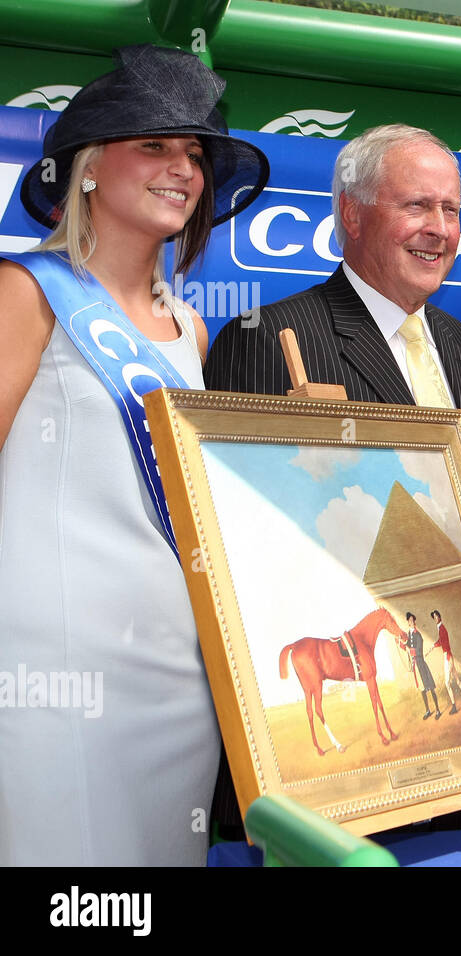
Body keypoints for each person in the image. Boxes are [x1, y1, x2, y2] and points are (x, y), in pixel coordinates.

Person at [0, 44, 268, 865]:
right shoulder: (24, 290)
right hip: (55, 672)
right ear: (86, 168)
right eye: (153, 144)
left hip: (178, 675)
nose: (182, 168)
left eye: (194, 153)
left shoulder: (191, 329)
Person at [205, 123, 461, 490]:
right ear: (352, 214)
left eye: (450, 209)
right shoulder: (266, 338)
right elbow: (243, 506)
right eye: (417, 205)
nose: (440, 229)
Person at [401, 612, 442, 720]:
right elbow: (408, 646)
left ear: (414, 622)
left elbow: (418, 651)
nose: (411, 622)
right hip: (416, 666)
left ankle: (438, 710)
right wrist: (401, 642)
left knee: (431, 687)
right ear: (408, 623)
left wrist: (410, 650)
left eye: (412, 620)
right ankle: (428, 710)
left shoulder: (418, 634)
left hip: (421, 665)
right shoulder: (409, 634)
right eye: (409, 621)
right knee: (422, 690)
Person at [430, 610, 461, 714]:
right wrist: (434, 645)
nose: (435, 618)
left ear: (440, 617)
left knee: (447, 683)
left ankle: (454, 707)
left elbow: (446, 644)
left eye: (436, 616)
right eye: (434, 617)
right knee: (457, 681)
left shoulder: (442, 628)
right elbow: (441, 641)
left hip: (447, 656)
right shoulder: (440, 628)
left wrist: (448, 658)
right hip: (449, 656)